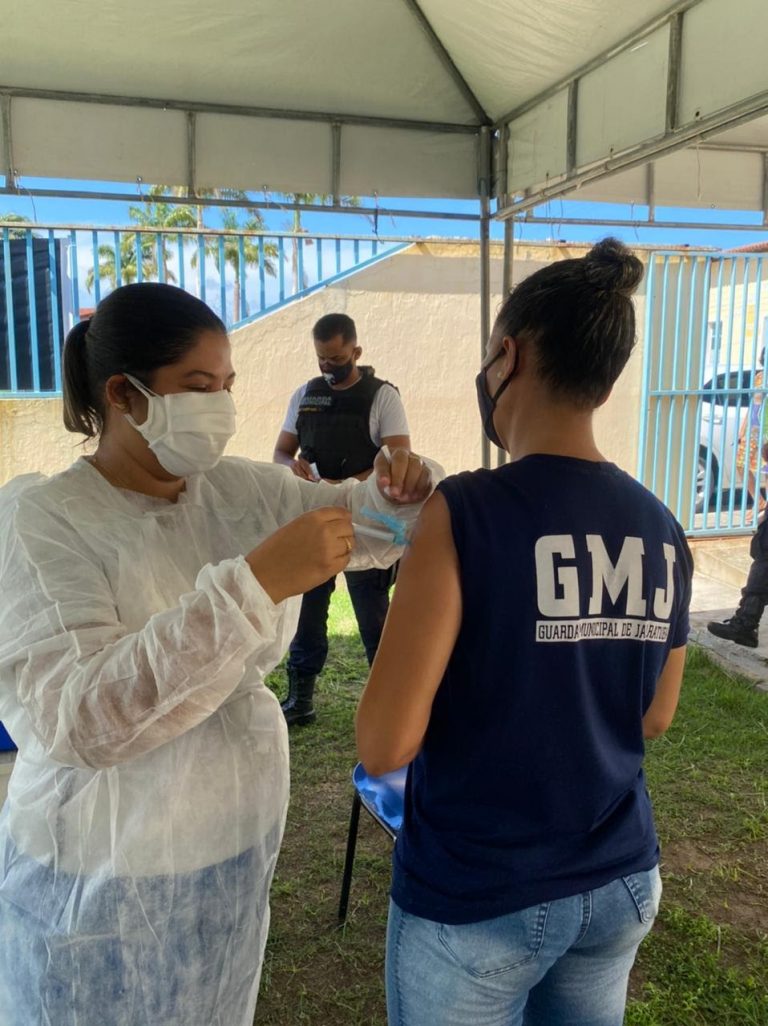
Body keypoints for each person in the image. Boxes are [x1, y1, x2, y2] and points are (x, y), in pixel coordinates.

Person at [0, 283, 438, 1026]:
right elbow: (80, 720)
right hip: (98, 873)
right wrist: (253, 586)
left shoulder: (236, 492)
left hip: (229, 845)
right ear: (124, 395)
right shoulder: (41, 521)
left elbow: (361, 521)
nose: (222, 407)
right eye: (199, 387)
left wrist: (400, 492)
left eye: (228, 386)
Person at [357, 239, 693, 1026]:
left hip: (480, 892)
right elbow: (656, 715)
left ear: (508, 356)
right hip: (619, 880)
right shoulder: (662, 526)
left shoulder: (465, 511)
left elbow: (384, 744)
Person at [273, 313, 411, 726]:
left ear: (356, 351)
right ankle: (301, 699)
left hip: (366, 522)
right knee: (308, 612)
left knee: (373, 616)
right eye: (321, 358)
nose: (327, 366)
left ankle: (392, 704)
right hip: (315, 517)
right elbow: (281, 452)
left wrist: (350, 483)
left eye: (336, 358)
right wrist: (293, 467)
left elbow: (399, 459)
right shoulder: (305, 395)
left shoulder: (382, 397)